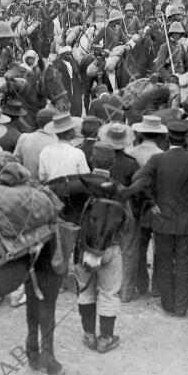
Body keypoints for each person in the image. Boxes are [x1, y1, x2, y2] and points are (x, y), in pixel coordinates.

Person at [129, 119, 188, 316]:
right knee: (184, 262)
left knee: (163, 261)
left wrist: (152, 201)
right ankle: (181, 305)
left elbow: (138, 179)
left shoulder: (157, 159)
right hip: (187, 220)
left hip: (162, 219)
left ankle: (168, 303)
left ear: (168, 137)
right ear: (186, 139)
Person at [74, 141, 126, 353]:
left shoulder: (78, 185)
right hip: (110, 248)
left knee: (84, 289)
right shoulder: (119, 189)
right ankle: (105, 338)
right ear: (112, 164)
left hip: (82, 247)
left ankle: (88, 334)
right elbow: (126, 221)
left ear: (92, 161)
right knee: (109, 291)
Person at [98, 122, 140, 303]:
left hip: (104, 208)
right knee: (128, 250)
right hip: (124, 209)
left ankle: (103, 287)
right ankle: (126, 291)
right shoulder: (132, 164)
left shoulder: (101, 160)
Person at [127, 115, 167, 295]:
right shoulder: (163, 156)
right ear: (159, 135)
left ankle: (141, 283)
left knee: (139, 247)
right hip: (157, 206)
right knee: (159, 248)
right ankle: (158, 286)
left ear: (141, 133)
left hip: (136, 207)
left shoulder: (131, 153)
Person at [38, 112, 89, 183]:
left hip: (52, 190)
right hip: (72, 191)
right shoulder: (78, 153)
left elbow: (42, 177)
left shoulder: (45, 151)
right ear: (70, 132)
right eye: (73, 128)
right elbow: (85, 177)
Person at [13, 107, 57, 179]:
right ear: (55, 122)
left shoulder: (24, 138)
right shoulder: (58, 142)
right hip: (50, 187)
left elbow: (15, 163)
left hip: (28, 185)